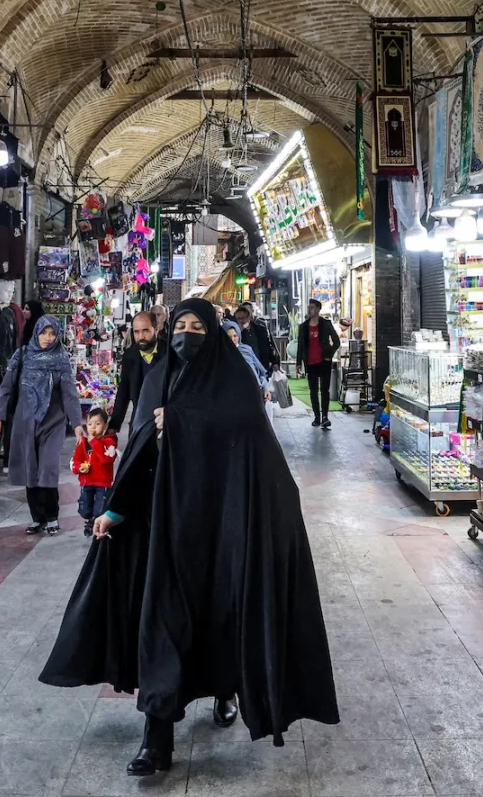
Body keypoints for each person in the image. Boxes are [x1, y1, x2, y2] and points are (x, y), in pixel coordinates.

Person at [39, 298, 338, 775]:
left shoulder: (235, 380)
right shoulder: (160, 378)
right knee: (162, 625)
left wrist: (181, 422)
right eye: (181, 325)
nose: (188, 334)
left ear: (214, 333)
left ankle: (224, 690)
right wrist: (115, 509)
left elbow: (248, 440)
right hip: (166, 530)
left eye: (199, 326)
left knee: (219, 622)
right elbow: (141, 451)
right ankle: (155, 739)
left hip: (220, 530)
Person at [0, 315, 83, 535]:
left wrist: (77, 423)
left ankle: (51, 516)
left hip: (53, 422)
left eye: (52, 334)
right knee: (30, 470)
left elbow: (69, 393)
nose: (48, 338)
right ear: (36, 333)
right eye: (44, 333)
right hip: (25, 421)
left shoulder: (60, 359)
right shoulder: (22, 355)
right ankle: (37, 518)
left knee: (48, 469)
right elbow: (6, 388)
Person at [109, 311, 162, 435]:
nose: (141, 336)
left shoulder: (169, 354)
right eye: (136, 332)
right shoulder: (130, 355)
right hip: (139, 420)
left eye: (146, 331)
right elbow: (124, 390)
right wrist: (114, 425)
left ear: (157, 329)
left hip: (163, 422)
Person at [73, 407, 119, 536]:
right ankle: (90, 519)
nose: (93, 427)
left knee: (100, 508)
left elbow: (107, 459)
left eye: (97, 424)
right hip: (86, 481)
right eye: (89, 424)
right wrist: (79, 467)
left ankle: (97, 523)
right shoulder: (83, 443)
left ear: (105, 426)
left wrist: (94, 442)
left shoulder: (109, 443)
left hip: (102, 482)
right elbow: (75, 460)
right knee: (84, 509)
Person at [296, 299, 341, 429]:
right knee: (313, 391)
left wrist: (329, 354)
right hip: (310, 362)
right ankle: (316, 416)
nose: (310, 310)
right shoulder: (303, 326)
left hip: (324, 361)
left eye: (313, 308)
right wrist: (299, 362)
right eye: (309, 308)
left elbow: (336, 341)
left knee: (324, 390)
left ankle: (325, 416)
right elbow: (300, 345)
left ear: (318, 310)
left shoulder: (326, 324)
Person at [223, 320, 271, 412]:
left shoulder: (247, 350)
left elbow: (260, 373)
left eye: (235, 336)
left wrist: (265, 388)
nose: (232, 339)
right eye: (228, 337)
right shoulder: (219, 355)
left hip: (254, 397)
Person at [235, 302, 279, 373]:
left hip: (261, 364)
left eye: (242, 318)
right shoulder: (235, 333)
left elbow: (268, 345)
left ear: (248, 317)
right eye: (238, 318)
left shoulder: (260, 329)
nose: (240, 321)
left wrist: (274, 362)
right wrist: (239, 331)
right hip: (244, 367)